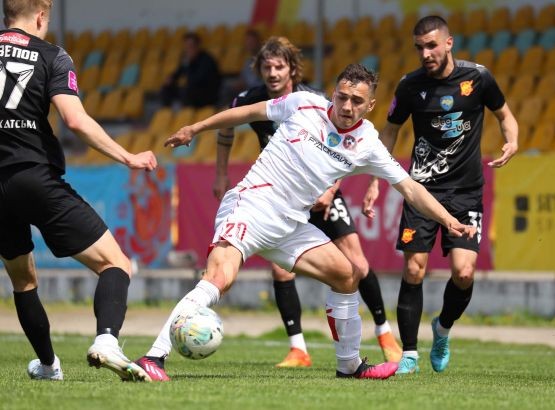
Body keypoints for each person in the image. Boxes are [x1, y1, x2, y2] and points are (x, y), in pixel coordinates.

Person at [135, 63, 476, 382]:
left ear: (370, 105)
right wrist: (195, 128)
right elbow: (248, 112)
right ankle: (153, 357)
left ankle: (349, 365)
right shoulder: (304, 104)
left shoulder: (368, 143)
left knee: (346, 274)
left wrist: (448, 221)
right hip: (252, 206)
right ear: (334, 93)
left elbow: (411, 188)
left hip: (290, 225)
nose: (346, 106)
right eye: (342, 96)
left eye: (357, 101)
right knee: (219, 278)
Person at [206, 36, 401, 369]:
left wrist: (330, 191)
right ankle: (298, 349)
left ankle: (384, 333)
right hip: (283, 194)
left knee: (357, 263)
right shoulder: (249, 99)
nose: (272, 73)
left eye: (279, 66)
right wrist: (221, 173)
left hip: (323, 191)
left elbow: (341, 150)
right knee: (281, 270)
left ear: (292, 69)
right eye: (266, 67)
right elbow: (226, 130)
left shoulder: (316, 100)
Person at [0, 0, 157, 382]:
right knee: (116, 263)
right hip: (33, 175)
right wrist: (127, 156)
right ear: (41, 16)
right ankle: (107, 340)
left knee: (23, 279)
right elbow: (74, 119)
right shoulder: (51, 55)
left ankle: (48, 366)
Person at [363, 15, 518, 375]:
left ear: (449, 43)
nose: (425, 53)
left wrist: (512, 140)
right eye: (419, 47)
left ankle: (443, 329)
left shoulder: (478, 78)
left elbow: (505, 115)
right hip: (422, 190)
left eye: (432, 45)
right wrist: (375, 178)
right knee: (414, 268)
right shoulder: (410, 86)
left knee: (463, 273)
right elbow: (390, 131)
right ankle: (410, 355)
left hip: (466, 192)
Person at [160, 32, 222, 108]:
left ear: (197, 46)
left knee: (187, 90)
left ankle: (187, 111)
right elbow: (179, 71)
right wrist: (171, 78)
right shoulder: (186, 58)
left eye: (191, 46)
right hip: (191, 89)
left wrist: (189, 66)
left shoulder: (207, 60)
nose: (188, 49)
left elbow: (199, 79)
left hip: (207, 92)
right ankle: (168, 112)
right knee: (166, 89)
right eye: (186, 47)